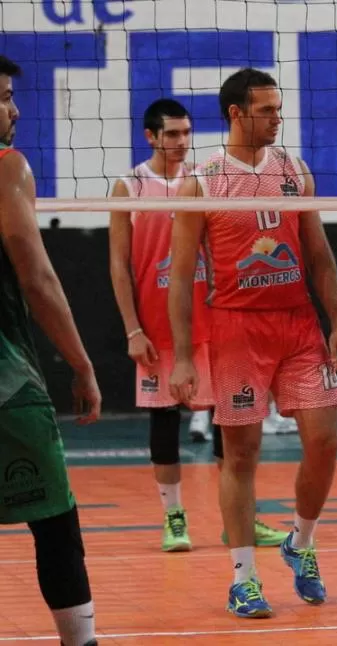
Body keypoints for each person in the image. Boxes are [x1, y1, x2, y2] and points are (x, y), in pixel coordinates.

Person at [168, 68, 337, 618]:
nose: (278, 117)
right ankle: (244, 579)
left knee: (325, 441)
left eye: (278, 107)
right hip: (236, 329)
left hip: (298, 325)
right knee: (241, 454)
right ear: (236, 113)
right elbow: (181, 276)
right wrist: (183, 357)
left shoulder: (294, 171)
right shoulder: (202, 181)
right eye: (267, 109)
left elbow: (319, 254)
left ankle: (301, 541)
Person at [108, 98, 289, 553]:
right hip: (157, 329)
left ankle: (239, 520)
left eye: (186, 133)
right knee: (165, 422)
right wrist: (132, 330)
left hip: (212, 325)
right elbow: (118, 265)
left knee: (233, 421)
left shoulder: (204, 181)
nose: (181, 142)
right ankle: (173, 518)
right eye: (172, 134)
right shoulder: (129, 186)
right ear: (150, 136)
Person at [0, 55, 102, 646]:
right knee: (55, 521)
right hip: (6, 383)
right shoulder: (7, 166)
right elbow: (37, 277)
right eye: (3, 97)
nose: (14, 110)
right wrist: (82, 363)